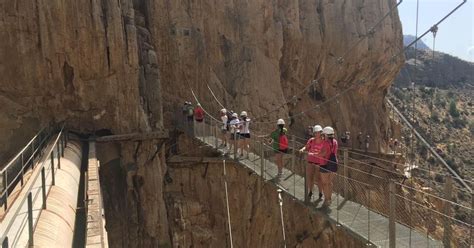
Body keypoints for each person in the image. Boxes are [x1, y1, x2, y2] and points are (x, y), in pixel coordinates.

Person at [299, 125, 325, 200]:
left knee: (318, 179)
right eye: (315, 133)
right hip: (310, 161)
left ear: (321, 133)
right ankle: (310, 191)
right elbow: (306, 146)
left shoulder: (324, 142)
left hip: (319, 163)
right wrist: (302, 149)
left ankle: (320, 193)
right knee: (310, 177)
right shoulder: (311, 140)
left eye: (318, 132)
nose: (316, 134)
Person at [320, 126, 338, 207]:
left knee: (324, 183)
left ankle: (326, 199)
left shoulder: (324, 143)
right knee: (330, 182)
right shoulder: (335, 142)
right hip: (334, 163)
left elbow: (323, 154)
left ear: (326, 134)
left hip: (324, 163)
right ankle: (329, 199)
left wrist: (314, 154)